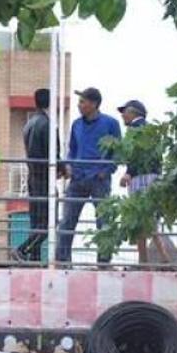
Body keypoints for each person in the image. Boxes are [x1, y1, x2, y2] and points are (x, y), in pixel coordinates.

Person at [55, 87, 121, 265]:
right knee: (67, 219)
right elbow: (72, 150)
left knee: (104, 221)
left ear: (94, 104)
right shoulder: (76, 124)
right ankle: (62, 259)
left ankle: (104, 260)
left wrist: (106, 171)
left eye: (83, 102)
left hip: (99, 179)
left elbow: (117, 152)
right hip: (77, 178)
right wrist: (68, 165)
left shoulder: (111, 124)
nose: (79, 105)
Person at [117, 100, 177, 268]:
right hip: (153, 177)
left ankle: (157, 259)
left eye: (124, 112)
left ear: (133, 113)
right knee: (146, 220)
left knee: (143, 218)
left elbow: (136, 154)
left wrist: (129, 172)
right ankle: (151, 260)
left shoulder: (136, 130)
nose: (123, 115)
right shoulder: (151, 129)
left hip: (142, 178)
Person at [15, 88, 52, 262]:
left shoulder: (29, 124)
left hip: (32, 177)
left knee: (36, 222)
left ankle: (34, 259)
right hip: (44, 178)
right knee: (48, 223)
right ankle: (23, 250)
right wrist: (61, 168)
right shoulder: (46, 123)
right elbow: (51, 152)